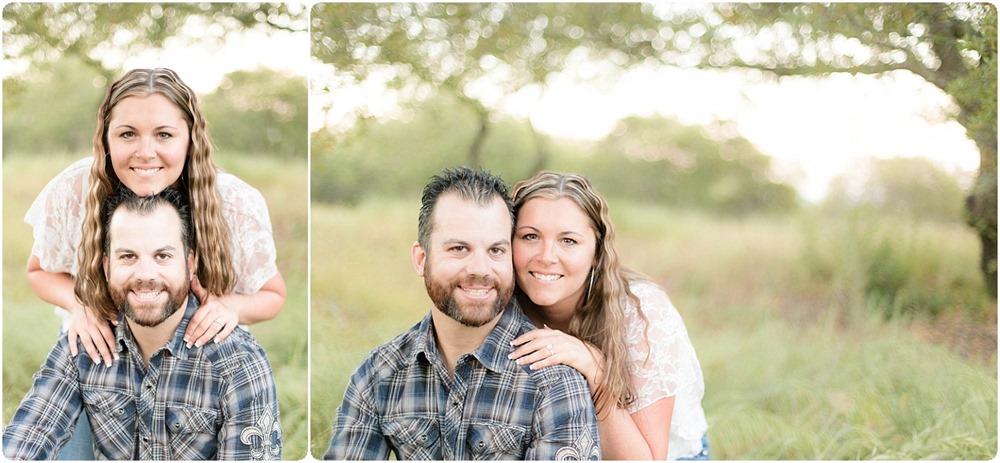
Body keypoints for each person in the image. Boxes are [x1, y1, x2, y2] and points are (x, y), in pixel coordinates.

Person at [23, 68, 286, 458]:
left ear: (189, 139)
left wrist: (230, 305)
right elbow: (39, 271)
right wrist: (80, 307)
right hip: (100, 351)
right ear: (107, 138)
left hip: (198, 359)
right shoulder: (77, 188)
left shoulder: (233, 202)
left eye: (164, 134)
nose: (145, 152)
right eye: (127, 134)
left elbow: (272, 295)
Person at [325, 167, 601, 460]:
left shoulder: (555, 382)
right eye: (459, 248)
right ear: (421, 259)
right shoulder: (379, 374)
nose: (480, 269)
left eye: (496, 250)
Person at [3, 188, 282, 460]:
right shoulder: (84, 345)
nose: (146, 274)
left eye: (163, 256)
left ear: (190, 263)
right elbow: (28, 438)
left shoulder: (239, 364)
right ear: (106, 266)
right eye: (128, 256)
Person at [507, 171, 709, 460]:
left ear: (596, 254)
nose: (546, 256)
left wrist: (594, 368)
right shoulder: (501, 302)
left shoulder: (641, 311)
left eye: (568, 241)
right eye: (530, 236)